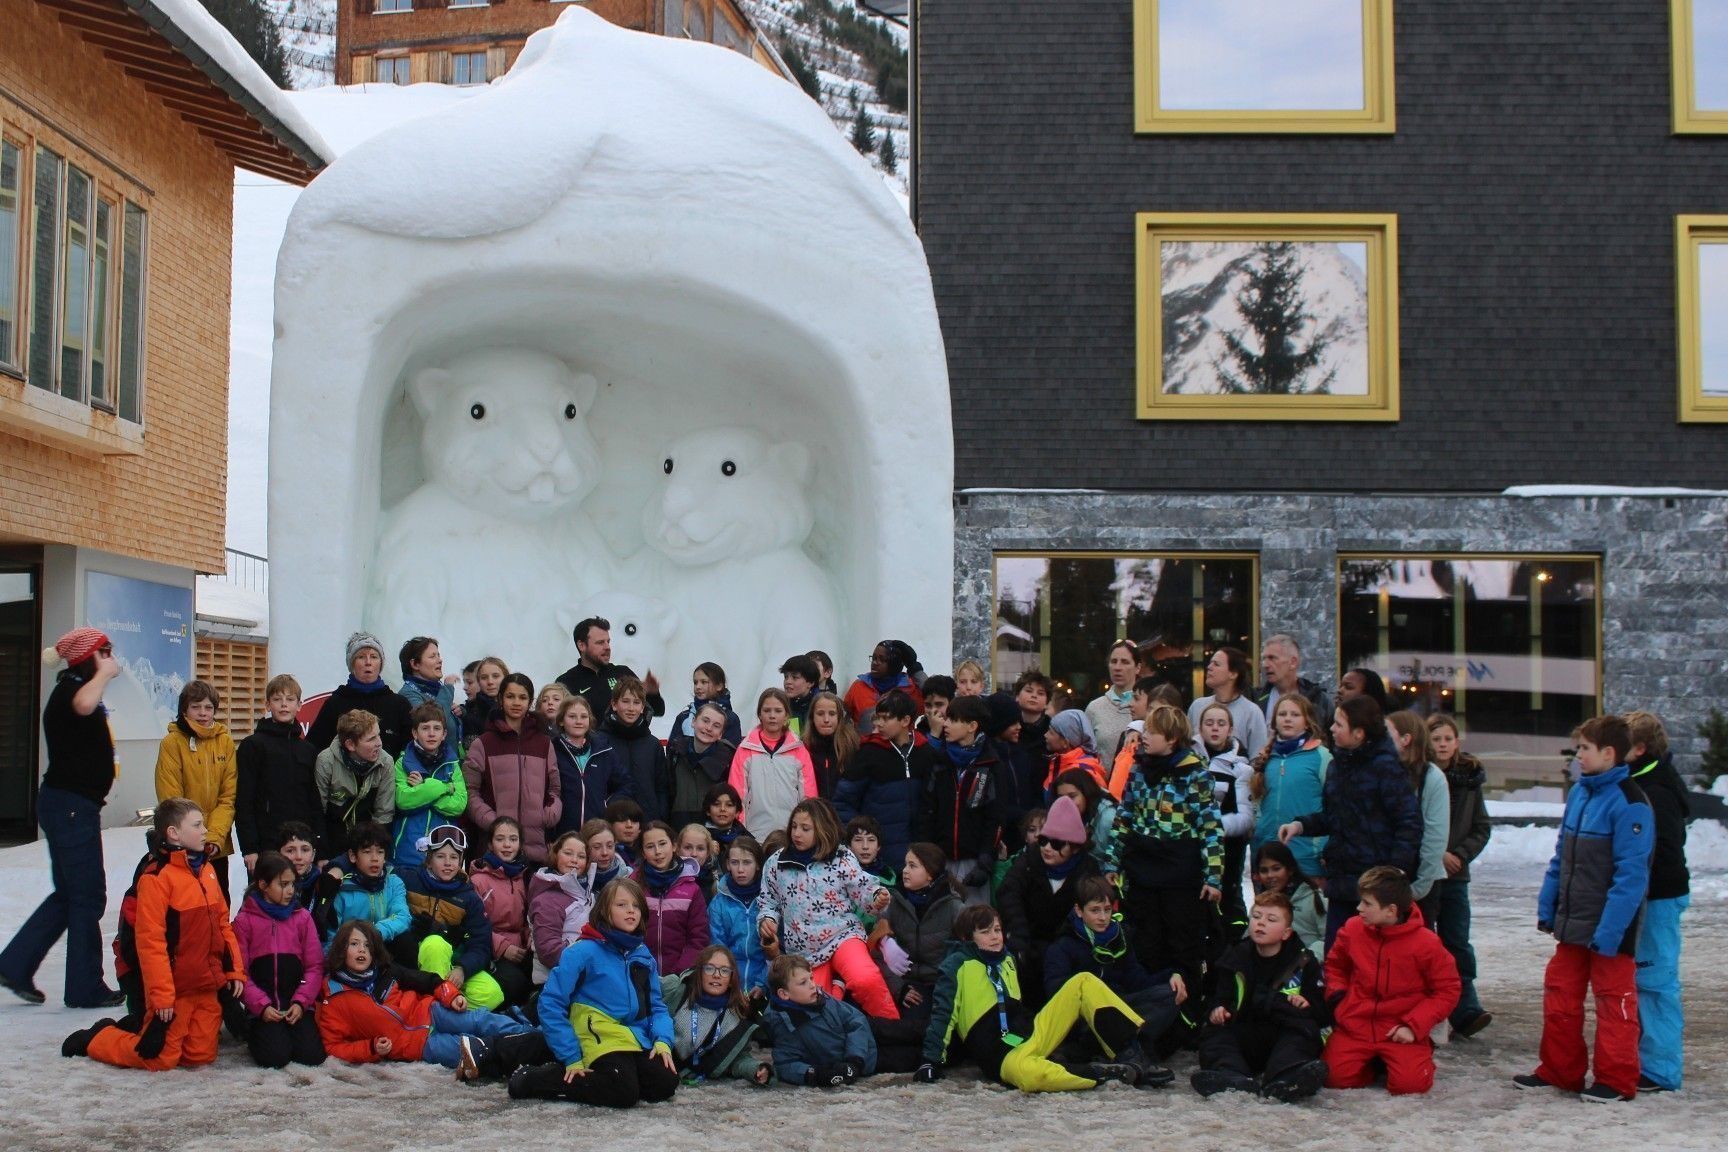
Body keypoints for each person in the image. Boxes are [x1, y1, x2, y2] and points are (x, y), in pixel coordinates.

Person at [1515, 715, 1653, 1103]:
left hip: (1610, 929)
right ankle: (1560, 1070)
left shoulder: (1631, 803)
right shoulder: (1580, 793)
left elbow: (1631, 876)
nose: (1579, 756)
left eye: (1585, 749)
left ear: (1609, 753)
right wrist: (1548, 904)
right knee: (1560, 993)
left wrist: (1610, 931)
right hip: (1573, 923)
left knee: (1614, 1003)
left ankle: (1616, 1079)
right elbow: (1563, 856)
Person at [63, 798, 245, 1069]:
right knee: (160, 1058)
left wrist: (234, 972)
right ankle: (99, 1037)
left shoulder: (207, 870)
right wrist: (161, 997)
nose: (205, 830)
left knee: (201, 1055)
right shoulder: (156, 878)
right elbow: (151, 943)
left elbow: (222, 926)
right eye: (197, 825)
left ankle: (144, 1028)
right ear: (174, 833)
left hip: (207, 985)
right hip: (176, 990)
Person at [915, 905, 1159, 1092]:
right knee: (1032, 1076)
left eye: (998, 930)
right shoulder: (956, 965)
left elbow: (1018, 1007)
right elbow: (943, 1014)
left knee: (1083, 981)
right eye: (985, 932)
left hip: (1029, 1036)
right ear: (968, 938)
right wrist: (930, 1061)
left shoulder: (1008, 959)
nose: (995, 937)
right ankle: (1104, 1074)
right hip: (1003, 1055)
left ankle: (1132, 1054)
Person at [509, 878, 681, 1108]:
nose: (631, 910)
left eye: (636, 905)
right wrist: (570, 1056)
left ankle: (607, 1079)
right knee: (623, 1091)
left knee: (665, 1082)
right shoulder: (582, 951)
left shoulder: (642, 955)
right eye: (621, 905)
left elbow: (657, 1006)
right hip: (596, 1036)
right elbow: (550, 1004)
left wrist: (662, 1040)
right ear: (604, 911)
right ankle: (531, 1079)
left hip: (632, 1037)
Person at [316, 918, 542, 1079]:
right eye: (354, 944)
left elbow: (427, 980)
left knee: (481, 1021)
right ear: (340, 950)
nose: (361, 950)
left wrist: (451, 996)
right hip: (418, 1045)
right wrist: (371, 1048)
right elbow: (334, 1046)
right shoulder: (334, 999)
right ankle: (531, 1053)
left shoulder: (385, 970)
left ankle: (539, 1037)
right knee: (469, 1048)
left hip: (430, 1011)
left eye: (367, 945)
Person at [1278, 696, 1420, 949]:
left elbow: (1408, 822)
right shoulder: (1337, 765)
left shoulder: (1386, 769)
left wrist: (1396, 870)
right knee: (1339, 952)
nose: (1332, 729)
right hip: (1342, 879)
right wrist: (1300, 825)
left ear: (1358, 733)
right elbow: (1334, 817)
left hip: (1376, 885)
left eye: (1339, 725)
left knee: (1373, 954)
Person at [1102, 705, 1223, 995]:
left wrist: (1213, 877)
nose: (1144, 736)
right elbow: (1125, 817)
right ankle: (1149, 1007)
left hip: (1180, 874)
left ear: (1171, 739)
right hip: (1142, 870)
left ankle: (1187, 1013)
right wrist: (1111, 863)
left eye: (1152, 732)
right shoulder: (1139, 768)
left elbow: (1210, 827)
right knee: (1145, 943)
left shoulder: (1194, 773)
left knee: (1182, 946)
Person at [1324, 866, 1460, 1096]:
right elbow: (1335, 966)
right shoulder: (1353, 929)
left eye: (1367, 904)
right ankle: (1374, 1064)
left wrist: (1414, 1025)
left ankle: (1404, 1060)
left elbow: (1448, 990)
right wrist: (1339, 997)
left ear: (1391, 911)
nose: (1359, 908)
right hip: (1356, 1022)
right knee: (1333, 1078)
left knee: (1410, 1086)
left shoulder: (1426, 943)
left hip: (1399, 1027)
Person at [757, 799, 899, 1019]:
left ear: (822, 829)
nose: (797, 833)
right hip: (805, 951)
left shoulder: (841, 857)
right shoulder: (776, 863)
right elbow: (769, 901)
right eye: (794, 826)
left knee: (865, 978)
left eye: (805, 828)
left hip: (844, 935)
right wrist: (768, 920)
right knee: (816, 1006)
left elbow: (863, 889)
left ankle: (892, 1029)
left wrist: (876, 898)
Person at [1192, 891, 1327, 1101]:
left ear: (1286, 932)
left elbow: (1321, 1011)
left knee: (1302, 1036)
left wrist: (1305, 1004)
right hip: (1246, 1030)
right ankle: (1233, 1077)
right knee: (1215, 1036)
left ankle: (1286, 1079)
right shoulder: (1235, 957)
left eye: (1271, 919)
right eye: (1256, 917)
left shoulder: (1303, 962)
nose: (1261, 923)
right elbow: (1219, 997)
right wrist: (1217, 1010)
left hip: (1283, 1030)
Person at [1043, 876, 1182, 1077]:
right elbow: (1056, 993)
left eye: (1107, 910)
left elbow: (1136, 979)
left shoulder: (1119, 938)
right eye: (1095, 910)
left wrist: (1171, 976)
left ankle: (1120, 1051)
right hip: (1085, 1021)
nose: (1102, 917)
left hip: (1119, 1008)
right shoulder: (1063, 946)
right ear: (1079, 910)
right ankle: (1129, 1054)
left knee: (1169, 994)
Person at [1622, 709, 1690, 1092]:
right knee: (1646, 980)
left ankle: (1661, 1069)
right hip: (1653, 897)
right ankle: (1649, 1060)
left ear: (1641, 748)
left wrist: (1635, 887)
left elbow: (1662, 851)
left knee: (1656, 983)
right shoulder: (1645, 781)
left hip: (1659, 898)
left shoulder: (1656, 790)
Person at [996, 795, 1102, 1006]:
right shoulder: (1028, 861)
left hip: (1067, 949)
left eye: (1056, 843)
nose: (1046, 848)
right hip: (1028, 942)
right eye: (1043, 840)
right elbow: (1009, 894)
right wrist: (1019, 932)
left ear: (1075, 847)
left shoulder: (1087, 870)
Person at [1426, 714, 1493, 1037]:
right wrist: (1435, 853)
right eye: (1436, 739)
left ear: (1456, 742)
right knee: (1425, 940)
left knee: (1457, 941)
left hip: (1455, 874)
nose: (1442, 745)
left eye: (1447, 739)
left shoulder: (1469, 779)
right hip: (1427, 871)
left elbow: (1481, 827)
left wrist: (1459, 855)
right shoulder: (1420, 775)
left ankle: (1466, 1007)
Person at [393, 824, 509, 1010]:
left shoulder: (468, 897)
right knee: (434, 944)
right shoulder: (409, 879)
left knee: (492, 994)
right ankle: (435, 1014)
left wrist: (462, 968)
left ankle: (438, 1006)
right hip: (414, 961)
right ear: (429, 860)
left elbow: (480, 943)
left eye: (454, 857)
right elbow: (374, 868)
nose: (448, 863)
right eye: (440, 856)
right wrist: (338, 866)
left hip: (450, 963)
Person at [229, 852, 327, 1068]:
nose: (290, 890)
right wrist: (261, 1007)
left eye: (292, 884)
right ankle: (255, 1033)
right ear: (263, 885)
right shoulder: (244, 922)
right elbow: (241, 972)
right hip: (264, 1010)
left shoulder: (301, 918)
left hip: (296, 1004)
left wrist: (301, 1002)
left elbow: (314, 966)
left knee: (311, 1056)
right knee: (275, 1057)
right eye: (283, 884)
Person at [153, 680, 238, 904]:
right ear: (184, 710)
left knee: (219, 903)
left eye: (208, 707)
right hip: (183, 846)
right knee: (186, 906)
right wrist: (192, 838)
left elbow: (228, 797)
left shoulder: (225, 742)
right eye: (196, 706)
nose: (202, 713)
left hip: (215, 846)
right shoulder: (172, 743)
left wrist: (213, 838)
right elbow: (172, 800)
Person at [464, 672, 561, 864]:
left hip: (536, 851)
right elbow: (470, 791)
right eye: (510, 696)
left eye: (522, 697)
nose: (516, 702)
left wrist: (548, 815)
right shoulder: (483, 744)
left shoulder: (543, 743)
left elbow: (555, 789)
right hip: (495, 850)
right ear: (501, 700)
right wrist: (494, 823)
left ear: (530, 702)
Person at [835, 689, 937, 870]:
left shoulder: (925, 752)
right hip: (878, 856)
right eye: (878, 718)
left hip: (918, 853)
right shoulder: (868, 753)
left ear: (905, 721)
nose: (879, 723)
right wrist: (863, 836)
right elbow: (842, 802)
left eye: (886, 718)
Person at [236, 673, 327, 871]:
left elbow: (314, 801)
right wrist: (249, 848)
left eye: (290, 700)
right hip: (266, 843)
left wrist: (320, 848)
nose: (284, 705)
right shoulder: (253, 745)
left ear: (299, 705)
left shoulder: (307, 749)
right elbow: (244, 799)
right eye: (277, 699)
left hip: (300, 845)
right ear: (268, 705)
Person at [926, 694, 1011, 895]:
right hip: (941, 859)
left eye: (953, 720)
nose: (945, 724)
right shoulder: (940, 762)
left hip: (974, 862)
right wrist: (927, 853)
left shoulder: (990, 766)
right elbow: (928, 809)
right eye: (946, 718)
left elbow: (996, 817)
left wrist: (985, 861)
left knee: (974, 921)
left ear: (972, 726)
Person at [762, 953, 877, 1087]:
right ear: (784, 994)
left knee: (903, 1030)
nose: (812, 985)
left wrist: (855, 1059)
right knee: (903, 1056)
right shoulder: (785, 1023)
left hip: (863, 1041)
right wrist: (816, 1074)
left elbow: (855, 1018)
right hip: (869, 1058)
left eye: (811, 978)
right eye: (803, 982)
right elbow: (785, 1064)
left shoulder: (819, 997)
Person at [663, 945, 772, 1084]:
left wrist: (755, 1069)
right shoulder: (675, 990)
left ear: (732, 979)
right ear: (699, 972)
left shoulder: (736, 1017)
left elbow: (736, 1058)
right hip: (661, 1065)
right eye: (709, 968)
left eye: (725, 971)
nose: (717, 975)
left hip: (696, 1085)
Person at [1249, 694, 1330, 881]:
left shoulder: (1321, 756)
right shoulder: (1265, 757)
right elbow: (1256, 804)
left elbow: (1332, 806)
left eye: (1295, 714)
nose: (1287, 718)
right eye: (1282, 714)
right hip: (1267, 855)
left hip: (1307, 855)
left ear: (1307, 722)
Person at [1195, 701, 1255, 944]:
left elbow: (1245, 818)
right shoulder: (1189, 760)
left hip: (1227, 850)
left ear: (1230, 729)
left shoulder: (1240, 767)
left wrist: (1211, 825)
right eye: (1209, 723)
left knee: (1227, 907)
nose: (1215, 729)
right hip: (1193, 848)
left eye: (1221, 724)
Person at [882, 842, 963, 1020]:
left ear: (930, 874)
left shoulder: (954, 907)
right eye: (905, 864)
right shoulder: (894, 902)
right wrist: (898, 987)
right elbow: (874, 952)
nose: (904, 870)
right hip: (908, 984)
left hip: (943, 984)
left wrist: (949, 983)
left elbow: (968, 951)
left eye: (912, 866)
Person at [306, 631, 414, 759]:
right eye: (361, 657)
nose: (368, 662)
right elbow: (315, 750)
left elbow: (412, 751)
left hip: (389, 778)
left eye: (374, 657)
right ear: (352, 664)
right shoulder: (335, 703)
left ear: (381, 664)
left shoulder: (399, 705)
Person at [1386, 711, 1449, 927]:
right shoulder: (1385, 771)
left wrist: (1419, 887)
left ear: (1406, 739)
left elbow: (1435, 837)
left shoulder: (1431, 777)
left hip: (1420, 879)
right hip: (1385, 878)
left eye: (1388, 732)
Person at [390, 702, 469, 873]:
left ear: (444, 734)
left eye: (437, 728)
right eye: (425, 728)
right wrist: (444, 788)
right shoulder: (402, 763)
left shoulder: (453, 765)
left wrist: (425, 787)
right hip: (407, 850)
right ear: (414, 733)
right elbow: (403, 800)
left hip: (444, 851)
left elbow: (459, 805)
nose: (431, 734)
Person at [730, 688, 817, 840]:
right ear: (759, 714)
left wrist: (804, 829)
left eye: (778, 710)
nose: (772, 716)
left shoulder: (799, 749)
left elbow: (808, 796)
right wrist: (741, 831)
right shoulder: (745, 749)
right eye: (767, 710)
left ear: (787, 715)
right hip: (754, 833)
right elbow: (737, 796)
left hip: (791, 833)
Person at [470, 817, 534, 1008]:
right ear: (490, 844)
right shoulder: (479, 880)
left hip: (521, 948)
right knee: (516, 984)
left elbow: (527, 919)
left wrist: (530, 937)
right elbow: (473, 925)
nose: (507, 845)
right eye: (500, 839)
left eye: (513, 839)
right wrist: (503, 948)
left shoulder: (524, 877)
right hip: (491, 950)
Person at [556, 616, 666, 722]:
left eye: (608, 641)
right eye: (600, 642)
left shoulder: (623, 673)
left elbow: (658, 711)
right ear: (582, 645)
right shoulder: (566, 682)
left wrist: (653, 694)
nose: (607, 647)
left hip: (626, 740)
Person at [635, 820, 710, 976]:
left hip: (679, 978)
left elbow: (698, 939)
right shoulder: (633, 886)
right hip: (639, 974)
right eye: (650, 846)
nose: (658, 851)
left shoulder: (691, 889)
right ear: (643, 852)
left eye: (663, 844)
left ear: (674, 846)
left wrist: (678, 974)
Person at [550, 695, 629, 839]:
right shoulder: (552, 749)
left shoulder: (604, 750)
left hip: (596, 831)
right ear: (561, 721)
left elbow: (626, 784)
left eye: (583, 716)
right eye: (572, 716)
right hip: (562, 832)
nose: (579, 721)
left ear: (590, 720)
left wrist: (607, 805)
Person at [314, 709, 397, 845]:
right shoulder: (326, 760)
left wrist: (373, 851)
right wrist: (322, 852)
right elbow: (318, 811)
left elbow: (384, 813)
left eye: (378, 735)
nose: (379, 743)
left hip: (367, 838)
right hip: (332, 835)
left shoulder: (386, 761)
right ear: (350, 745)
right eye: (371, 739)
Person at [326, 823, 410, 943]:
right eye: (367, 852)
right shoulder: (341, 887)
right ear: (353, 856)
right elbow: (331, 935)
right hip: (350, 953)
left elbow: (402, 917)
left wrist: (374, 933)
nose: (375, 858)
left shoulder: (394, 882)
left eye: (380, 852)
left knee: (405, 941)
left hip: (383, 946)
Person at [708, 835, 769, 993]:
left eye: (747, 862)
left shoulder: (769, 900)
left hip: (765, 982)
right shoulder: (718, 903)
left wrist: (763, 983)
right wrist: (730, 983)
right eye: (735, 863)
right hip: (729, 983)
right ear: (728, 864)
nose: (740, 869)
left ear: (757, 865)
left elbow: (776, 951)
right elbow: (717, 947)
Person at [604, 677, 671, 823]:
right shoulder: (600, 742)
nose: (631, 708)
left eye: (636, 702)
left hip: (648, 823)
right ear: (614, 704)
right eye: (625, 701)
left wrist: (660, 816)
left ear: (642, 707)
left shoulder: (653, 745)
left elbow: (662, 788)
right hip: (611, 823)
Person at [529, 831, 593, 980]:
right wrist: (591, 963)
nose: (574, 860)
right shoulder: (547, 899)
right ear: (556, 855)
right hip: (556, 980)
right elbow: (550, 953)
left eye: (581, 856)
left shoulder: (588, 894)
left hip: (583, 975)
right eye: (568, 853)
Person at [1188, 647, 1269, 758]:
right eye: (1210, 663)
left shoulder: (1252, 712)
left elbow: (1257, 757)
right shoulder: (1197, 706)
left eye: (1216, 664)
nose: (1209, 667)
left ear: (1233, 674)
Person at [667, 702, 737, 830]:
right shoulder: (675, 751)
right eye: (705, 721)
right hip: (678, 827)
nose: (709, 728)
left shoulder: (728, 759)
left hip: (714, 830)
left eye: (716, 726)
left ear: (721, 734)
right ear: (693, 721)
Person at [1252, 841, 1326, 960]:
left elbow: (1329, 938)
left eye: (1276, 869)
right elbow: (1250, 937)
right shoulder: (1261, 903)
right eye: (1264, 870)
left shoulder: (1314, 898)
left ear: (1290, 870)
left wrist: (1306, 961)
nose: (1270, 875)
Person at [842, 640, 925, 732]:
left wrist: (914, 667)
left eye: (882, 659)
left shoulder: (910, 689)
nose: (875, 663)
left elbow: (934, 697)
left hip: (900, 746)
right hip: (866, 745)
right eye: (874, 658)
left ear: (894, 664)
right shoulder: (858, 686)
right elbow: (844, 719)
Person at [1254, 635, 1332, 730]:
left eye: (1272, 658)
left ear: (1293, 662)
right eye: (1264, 659)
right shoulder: (1255, 698)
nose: (1265, 665)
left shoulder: (1318, 699)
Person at [397, 636, 460, 749]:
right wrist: (448, 687)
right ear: (415, 664)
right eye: (432, 656)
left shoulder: (436, 690)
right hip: (430, 764)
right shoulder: (408, 694)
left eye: (438, 655)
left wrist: (461, 712)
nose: (440, 660)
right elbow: (433, 720)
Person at [1084, 640, 1139, 768]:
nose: (1117, 667)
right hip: (1101, 785)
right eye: (1113, 661)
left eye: (1125, 662)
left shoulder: (1148, 706)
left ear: (1138, 667)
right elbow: (1085, 754)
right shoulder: (1095, 708)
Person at [1050, 768, 1116, 872]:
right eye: (1061, 798)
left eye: (1072, 796)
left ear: (1086, 793)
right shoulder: (1068, 814)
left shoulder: (1108, 818)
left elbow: (1115, 860)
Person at [669, 662, 744, 745]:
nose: (698, 687)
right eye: (695, 682)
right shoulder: (684, 716)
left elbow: (732, 751)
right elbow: (671, 749)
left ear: (719, 686)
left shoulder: (730, 718)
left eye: (704, 682)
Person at [802, 691, 858, 800]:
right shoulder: (804, 748)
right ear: (812, 717)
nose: (826, 719)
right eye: (820, 714)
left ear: (839, 717)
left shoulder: (852, 746)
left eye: (832, 714)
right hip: (815, 811)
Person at [1042, 709, 1106, 793]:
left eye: (1051, 732)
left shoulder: (1083, 773)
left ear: (1065, 742)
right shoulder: (1060, 762)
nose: (1045, 735)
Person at [463, 656, 508, 744]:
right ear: (479, 682)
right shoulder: (472, 715)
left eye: (495, 676)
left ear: (506, 678)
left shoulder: (516, 707)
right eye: (484, 677)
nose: (490, 682)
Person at [780, 653, 821, 735]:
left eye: (795, 677)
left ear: (810, 682)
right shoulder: (780, 706)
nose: (788, 682)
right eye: (786, 677)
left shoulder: (821, 706)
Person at [703, 782, 745, 850]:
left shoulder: (746, 840)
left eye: (729, 805)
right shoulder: (697, 837)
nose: (722, 809)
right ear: (708, 811)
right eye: (716, 804)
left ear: (737, 812)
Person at [916, 674, 956, 744]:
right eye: (928, 705)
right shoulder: (919, 734)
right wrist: (934, 733)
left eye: (939, 704)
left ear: (951, 703)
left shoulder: (961, 730)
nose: (933, 710)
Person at [607, 797, 646, 867]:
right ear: (610, 825)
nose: (629, 825)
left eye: (634, 821)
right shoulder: (605, 856)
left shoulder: (647, 854)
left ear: (640, 828)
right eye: (622, 820)